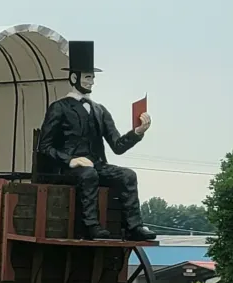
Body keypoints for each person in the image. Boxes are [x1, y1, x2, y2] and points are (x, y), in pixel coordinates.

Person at [36, 40, 157, 241]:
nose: (91, 82)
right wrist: (70, 160)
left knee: (128, 175)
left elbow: (117, 146)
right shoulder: (59, 108)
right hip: (66, 169)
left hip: (96, 165)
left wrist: (137, 132)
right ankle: (89, 226)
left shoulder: (99, 110)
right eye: (87, 77)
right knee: (88, 174)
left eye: (92, 77)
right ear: (74, 77)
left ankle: (134, 227)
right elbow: (44, 146)